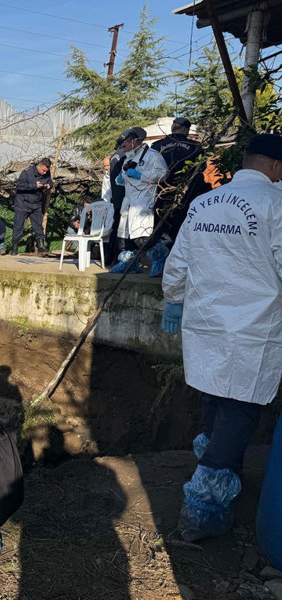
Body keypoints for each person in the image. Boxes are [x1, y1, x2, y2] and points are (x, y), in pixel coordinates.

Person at [161, 133, 282, 542]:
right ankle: (201, 509)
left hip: (207, 324)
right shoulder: (275, 204)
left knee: (215, 399)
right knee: (240, 409)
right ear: (276, 167)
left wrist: (173, 299)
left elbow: (178, 261)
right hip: (252, 329)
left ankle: (220, 469)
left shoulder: (204, 202)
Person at [109, 127, 169, 276]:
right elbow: (126, 179)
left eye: (124, 146)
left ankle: (160, 258)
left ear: (135, 142)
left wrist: (140, 175)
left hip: (144, 201)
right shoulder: (129, 158)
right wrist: (120, 180)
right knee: (124, 237)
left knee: (142, 236)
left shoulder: (152, 156)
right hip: (129, 201)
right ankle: (129, 264)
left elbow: (162, 174)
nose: (122, 150)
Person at [151, 117, 210, 244]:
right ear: (184, 129)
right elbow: (201, 167)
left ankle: (158, 248)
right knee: (180, 221)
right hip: (186, 192)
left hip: (160, 191)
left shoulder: (156, 146)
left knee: (160, 222)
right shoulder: (195, 146)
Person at [11, 157, 53, 255]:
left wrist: (49, 185)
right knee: (18, 226)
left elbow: (50, 182)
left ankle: (41, 246)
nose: (44, 173)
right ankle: (14, 249)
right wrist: (34, 185)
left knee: (38, 225)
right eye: (43, 170)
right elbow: (19, 186)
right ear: (40, 166)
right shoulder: (26, 173)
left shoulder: (47, 172)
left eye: (46, 171)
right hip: (23, 203)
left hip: (36, 204)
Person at [104, 133, 127, 264]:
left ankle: (110, 257)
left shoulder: (114, 157)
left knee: (116, 226)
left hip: (117, 198)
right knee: (120, 228)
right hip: (123, 197)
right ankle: (117, 258)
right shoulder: (122, 156)